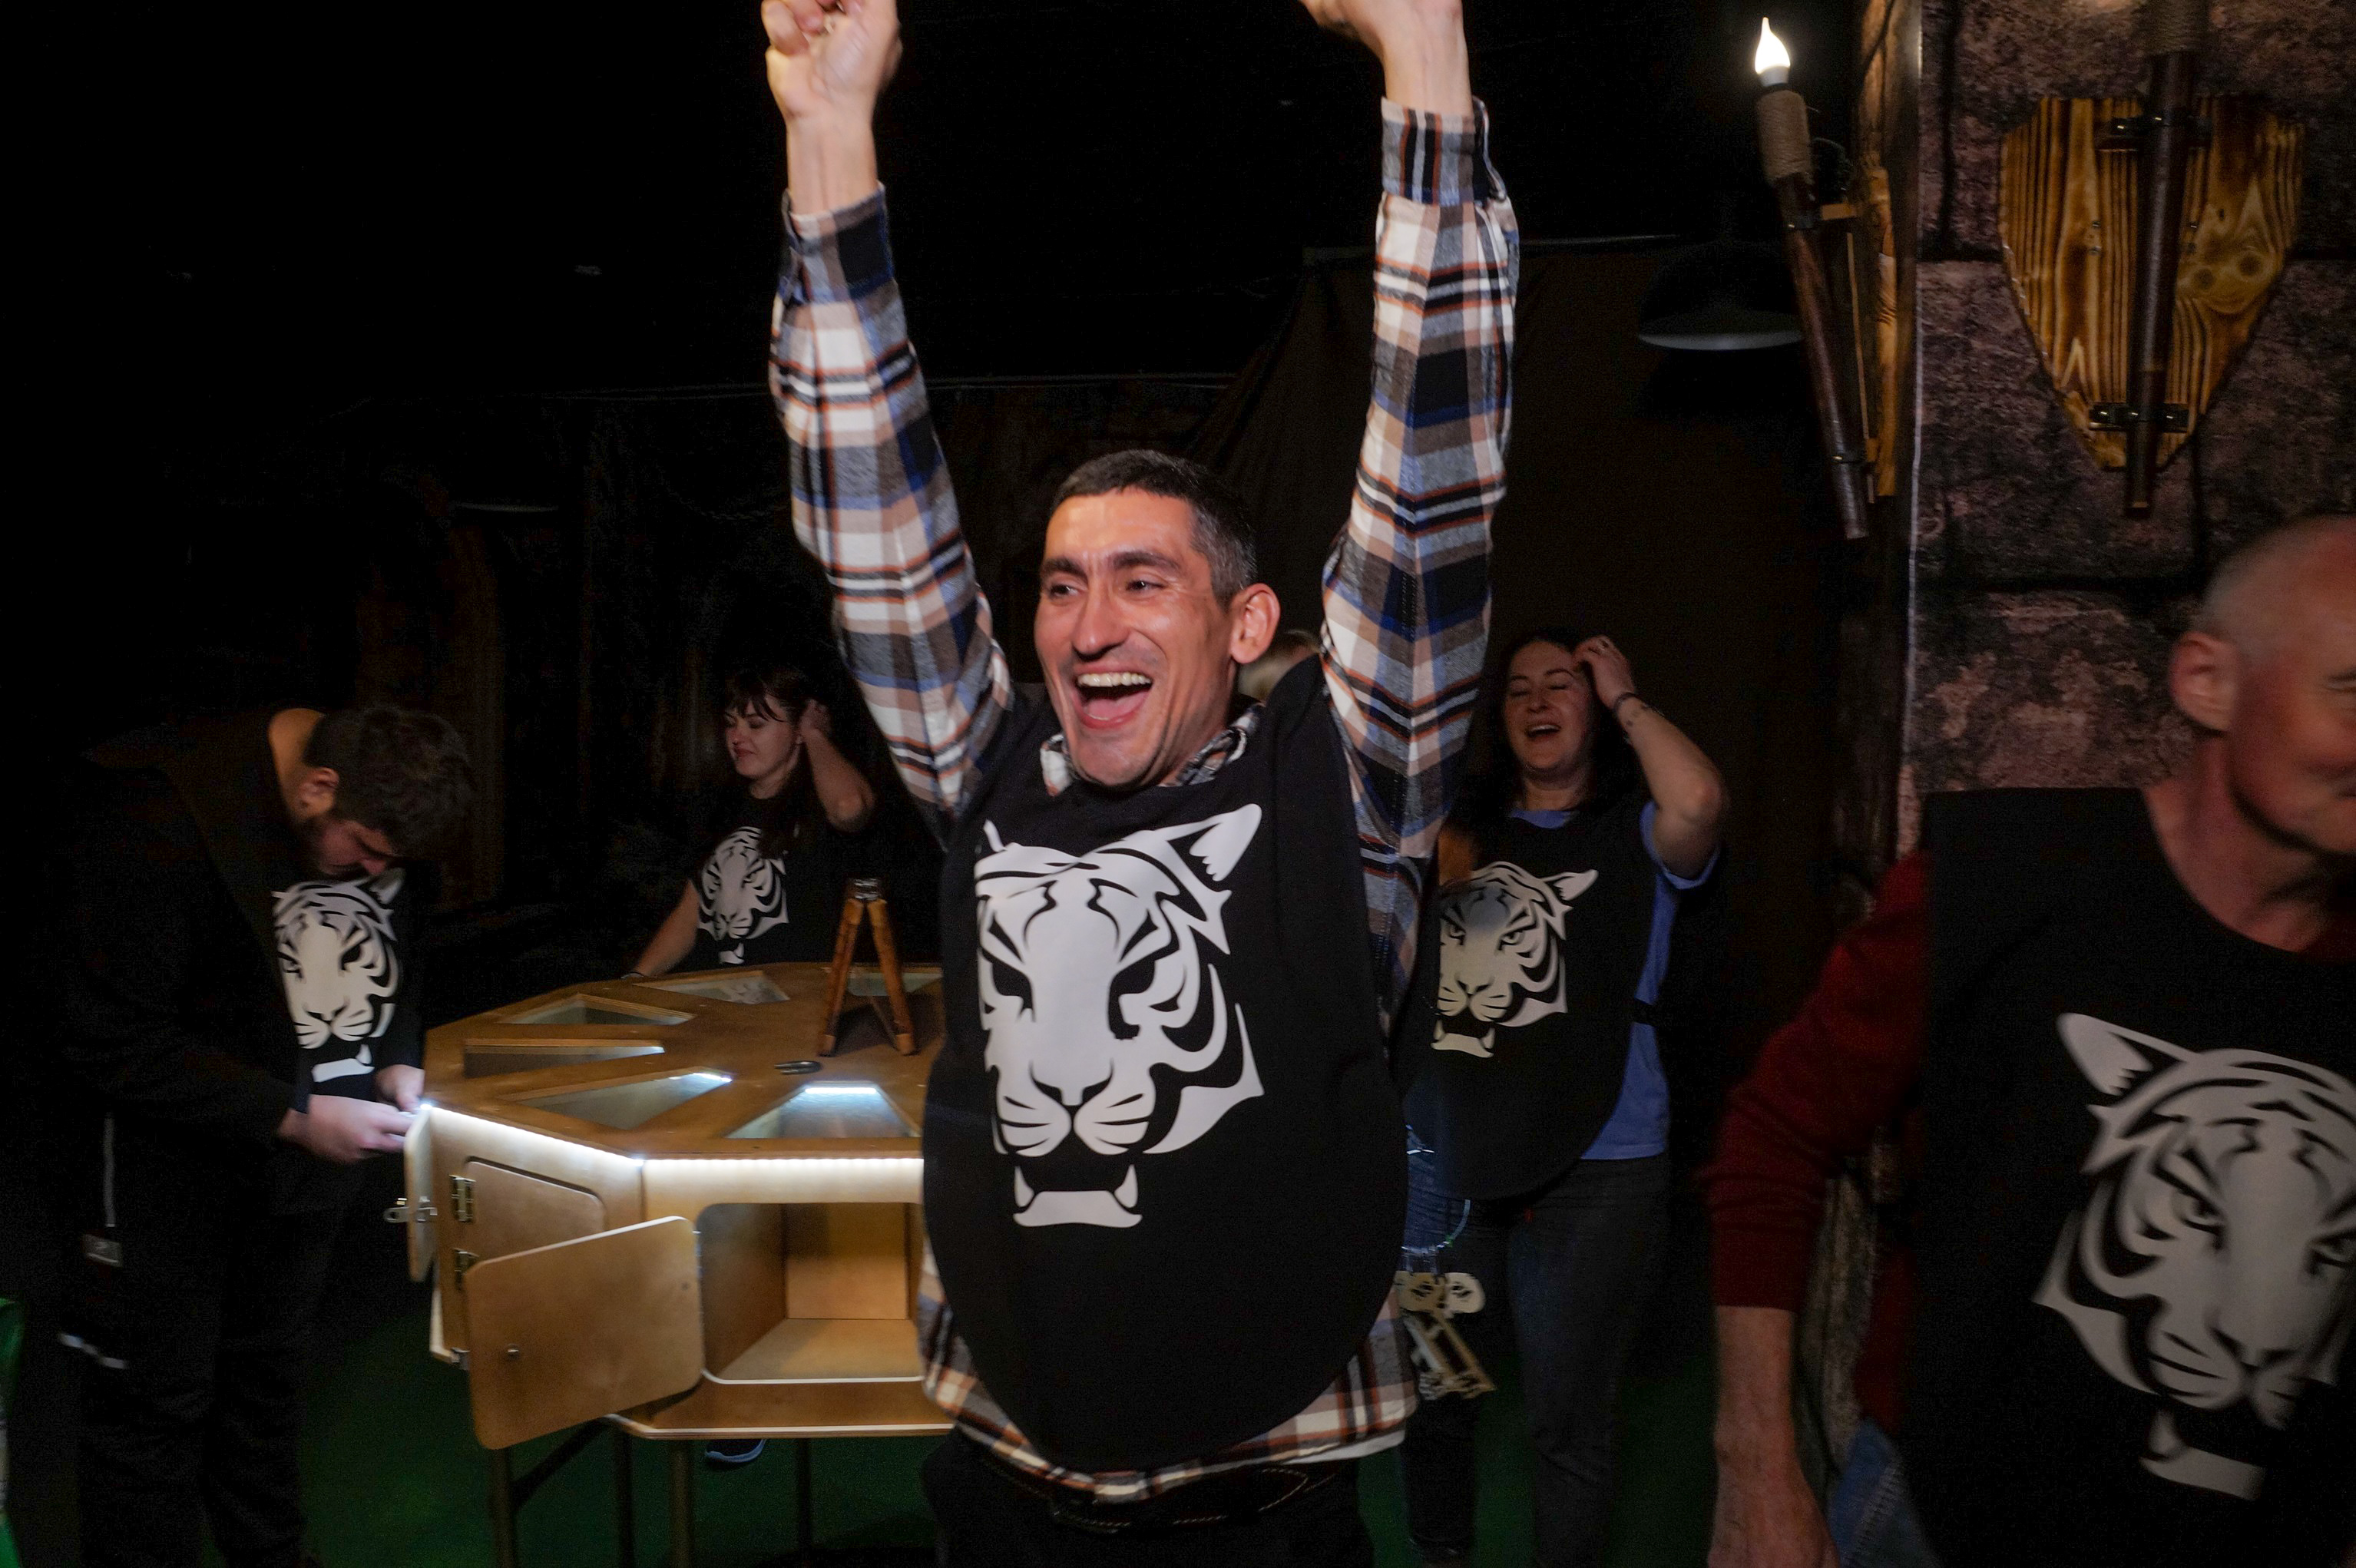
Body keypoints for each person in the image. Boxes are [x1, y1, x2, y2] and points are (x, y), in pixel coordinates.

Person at [763, 0, 1517, 1555]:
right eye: (1058, 585)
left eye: (1140, 581)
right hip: (1005, 1488)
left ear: (1246, 623)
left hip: (1260, 1502)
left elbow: (1431, 486)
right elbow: (875, 527)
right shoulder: (994, 769)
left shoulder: (1342, 789)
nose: (1086, 622)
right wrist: (827, 134)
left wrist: (1423, 55)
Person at [1705, 514, 2356, 1568]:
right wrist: (1756, 1465)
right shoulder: (2004, 880)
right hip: (1937, 1523)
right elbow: (1777, 1133)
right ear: (2207, 681)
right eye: (2353, 689)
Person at [53, 704, 473, 1567]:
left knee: (267, 1393)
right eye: (366, 850)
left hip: (301, 1183)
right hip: (168, 1176)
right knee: (157, 1408)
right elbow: (111, 1039)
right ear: (318, 788)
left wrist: (396, 1058)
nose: (378, 872)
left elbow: (403, 960)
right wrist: (294, 1116)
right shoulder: (167, 821)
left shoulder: (382, 815)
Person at [1394, 630, 1726, 1568]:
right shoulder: (1453, 834)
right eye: (1518, 689)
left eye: (1561, 685)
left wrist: (1623, 694)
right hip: (1448, 1166)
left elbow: (1699, 801)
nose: (1538, 700)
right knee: (1435, 1395)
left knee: (1565, 1420)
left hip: (1600, 1167)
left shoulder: (1636, 832)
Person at [630, 663, 875, 977]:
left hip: (804, 999)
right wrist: (635, 979)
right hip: (724, 996)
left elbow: (849, 807)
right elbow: (691, 912)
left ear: (797, 730)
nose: (736, 737)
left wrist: (814, 734)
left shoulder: (818, 801)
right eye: (730, 723)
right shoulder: (720, 807)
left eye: (755, 724)